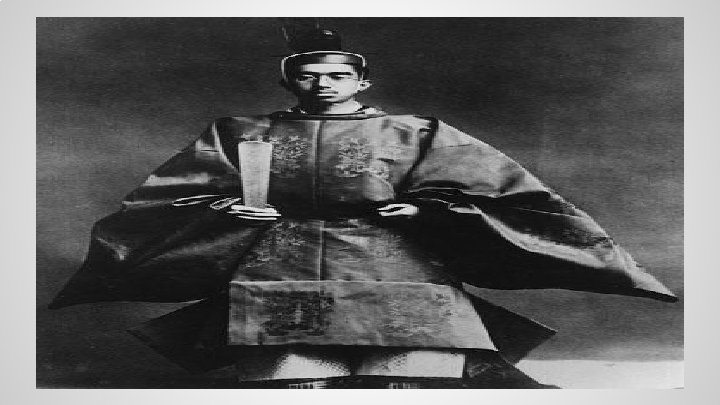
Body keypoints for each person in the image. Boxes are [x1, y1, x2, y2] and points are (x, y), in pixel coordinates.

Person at [49, 29, 676, 389]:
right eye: (309, 75)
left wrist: (425, 211)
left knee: (412, 380)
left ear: (361, 81)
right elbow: (169, 196)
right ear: (291, 80)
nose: (323, 84)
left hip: (396, 264)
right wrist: (228, 209)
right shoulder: (240, 132)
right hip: (282, 262)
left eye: (336, 75)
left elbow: (503, 192)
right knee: (292, 381)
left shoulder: (416, 132)